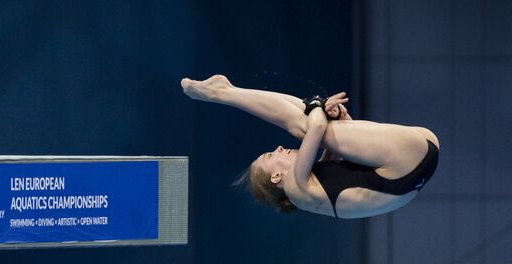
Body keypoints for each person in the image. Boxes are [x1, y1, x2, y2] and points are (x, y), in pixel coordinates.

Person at [181, 74, 439, 219]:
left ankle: (228, 90)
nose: (279, 148)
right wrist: (318, 103)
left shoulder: (310, 192)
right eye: (272, 155)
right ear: (276, 176)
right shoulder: (295, 188)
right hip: (405, 166)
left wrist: (334, 116)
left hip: (415, 165)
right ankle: (222, 93)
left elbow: (335, 147)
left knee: (311, 120)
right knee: (305, 124)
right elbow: (315, 128)